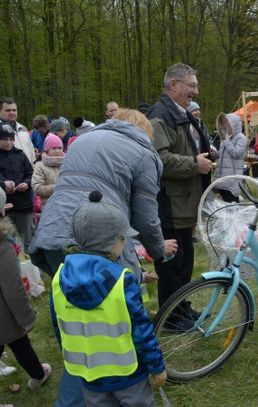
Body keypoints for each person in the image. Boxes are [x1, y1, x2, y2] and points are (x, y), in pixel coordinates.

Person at [28, 109, 177, 407]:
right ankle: (120, 384)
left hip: (55, 230)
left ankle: (82, 390)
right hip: (100, 236)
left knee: (78, 321)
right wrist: (159, 249)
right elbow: (146, 215)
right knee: (114, 320)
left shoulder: (83, 140)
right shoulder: (143, 153)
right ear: (144, 131)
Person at [51, 190, 166, 407]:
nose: (124, 242)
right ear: (112, 242)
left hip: (88, 375)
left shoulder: (58, 280)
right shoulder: (123, 281)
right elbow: (141, 330)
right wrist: (157, 367)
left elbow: (60, 329)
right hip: (128, 373)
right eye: (123, 238)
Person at [147, 63, 212, 309]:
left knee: (184, 265)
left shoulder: (179, 112)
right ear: (174, 85)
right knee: (172, 267)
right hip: (170, 206)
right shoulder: (159, 116)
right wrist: (194, 164)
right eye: (192, 85)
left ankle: (180, 309)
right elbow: (159, 159)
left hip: (184, 204)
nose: (195, 92)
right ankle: (172, 316)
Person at [0, 188, 52, 391]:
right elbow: (13, 289)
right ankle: (38, 375)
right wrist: (27, 318)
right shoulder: (3, 247)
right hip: (3, 316)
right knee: (19, 342)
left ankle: (38, 373)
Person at [0, 122, 34, 252]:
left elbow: (30, 174)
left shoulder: (20, 155)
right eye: (4, 139)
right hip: (4, 206)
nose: (8, 142)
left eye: (11, 139)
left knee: (28, 239)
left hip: (24, 204)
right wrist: (3, 183)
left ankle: (32, 267)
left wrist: (27, 183)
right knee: (8, 241)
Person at [214, 113, 247, 203]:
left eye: (227, 123)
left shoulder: (241, 138)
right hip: (222, 177)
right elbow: (224, 155)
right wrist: (215, 154)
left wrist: (227, 141)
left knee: (232, 202)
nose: (224, 126)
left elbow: (236, 153)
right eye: (223, 123)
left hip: (232, 177)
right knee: (225, 201)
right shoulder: (225, 138)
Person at [31, 134, 65, 207]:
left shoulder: (67, 163)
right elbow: (37, 187)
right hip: (48, 206)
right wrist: (57, 187)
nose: (58, 151)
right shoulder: (40, 166)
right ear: (47, 150)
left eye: (60, 148)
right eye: (54, 148)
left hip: (66, 204)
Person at [0, 97, 35, 166]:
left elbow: (31, 150)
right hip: (8, 173)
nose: (12, 113)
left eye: (14, 110)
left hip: (28, 172)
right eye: (8, 110)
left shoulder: (23, 128)